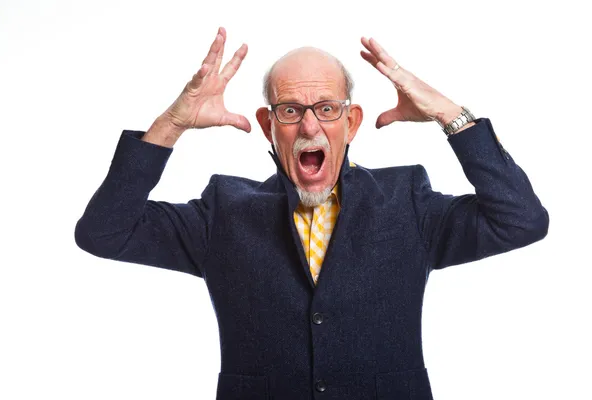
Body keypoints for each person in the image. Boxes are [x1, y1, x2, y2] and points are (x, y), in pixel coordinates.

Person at [74, 27, 549, 400]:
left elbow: (521, 219)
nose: (309, 125)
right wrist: (171, 123)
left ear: (352, 122)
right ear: (267, 126)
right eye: (289, 110)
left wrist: (450, 114)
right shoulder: (223, 212)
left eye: (326, 108)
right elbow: (103, 232)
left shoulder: (407, 202)